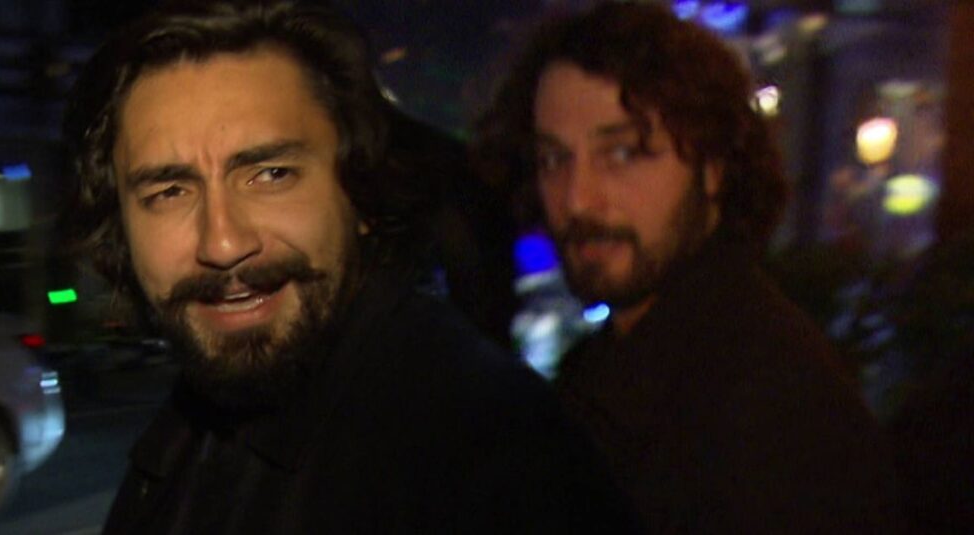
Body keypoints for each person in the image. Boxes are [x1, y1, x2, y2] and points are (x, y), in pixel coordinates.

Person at [62, 1, 631, 532]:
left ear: (359, 194)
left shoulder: (492, 459)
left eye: (272, 175)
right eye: (169, 192)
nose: (224, 242)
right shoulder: (187, 435)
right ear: (120, 227)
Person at [475, 2, 900, 532]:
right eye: (554, 159)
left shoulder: (766, 414)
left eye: (624, 153)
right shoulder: (624, 363)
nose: (577, 199)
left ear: (713, 168)